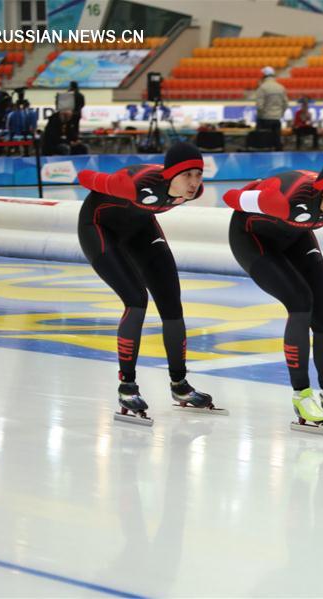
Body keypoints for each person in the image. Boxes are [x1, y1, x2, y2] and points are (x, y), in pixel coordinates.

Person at [222, 157, 323, 434]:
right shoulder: (285, 201)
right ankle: (302, 396)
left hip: (296, 236)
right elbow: (230, 197)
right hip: (253, 239)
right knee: (300, 302)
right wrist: (257, 192)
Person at [76, 142, 220, 425]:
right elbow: (85, 178)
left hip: (140, 228)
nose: (194, 183)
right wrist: (113, 182)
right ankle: (127, 386)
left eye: (198, 175)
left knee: (171, 304)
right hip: (98, 227)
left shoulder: (194, 193)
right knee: (136, 299)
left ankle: (180, 385)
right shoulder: (135, 184)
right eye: (187, 175)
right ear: (170, 174)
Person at [254, 66, 288, 151]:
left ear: (264, 76)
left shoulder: (262, 88)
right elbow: (285, 104)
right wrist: (280, 114)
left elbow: (259, 106)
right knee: (277, 142)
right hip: (276, 119)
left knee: (264, 144)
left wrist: (261, 116)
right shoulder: (281, 87)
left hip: (265, 120)